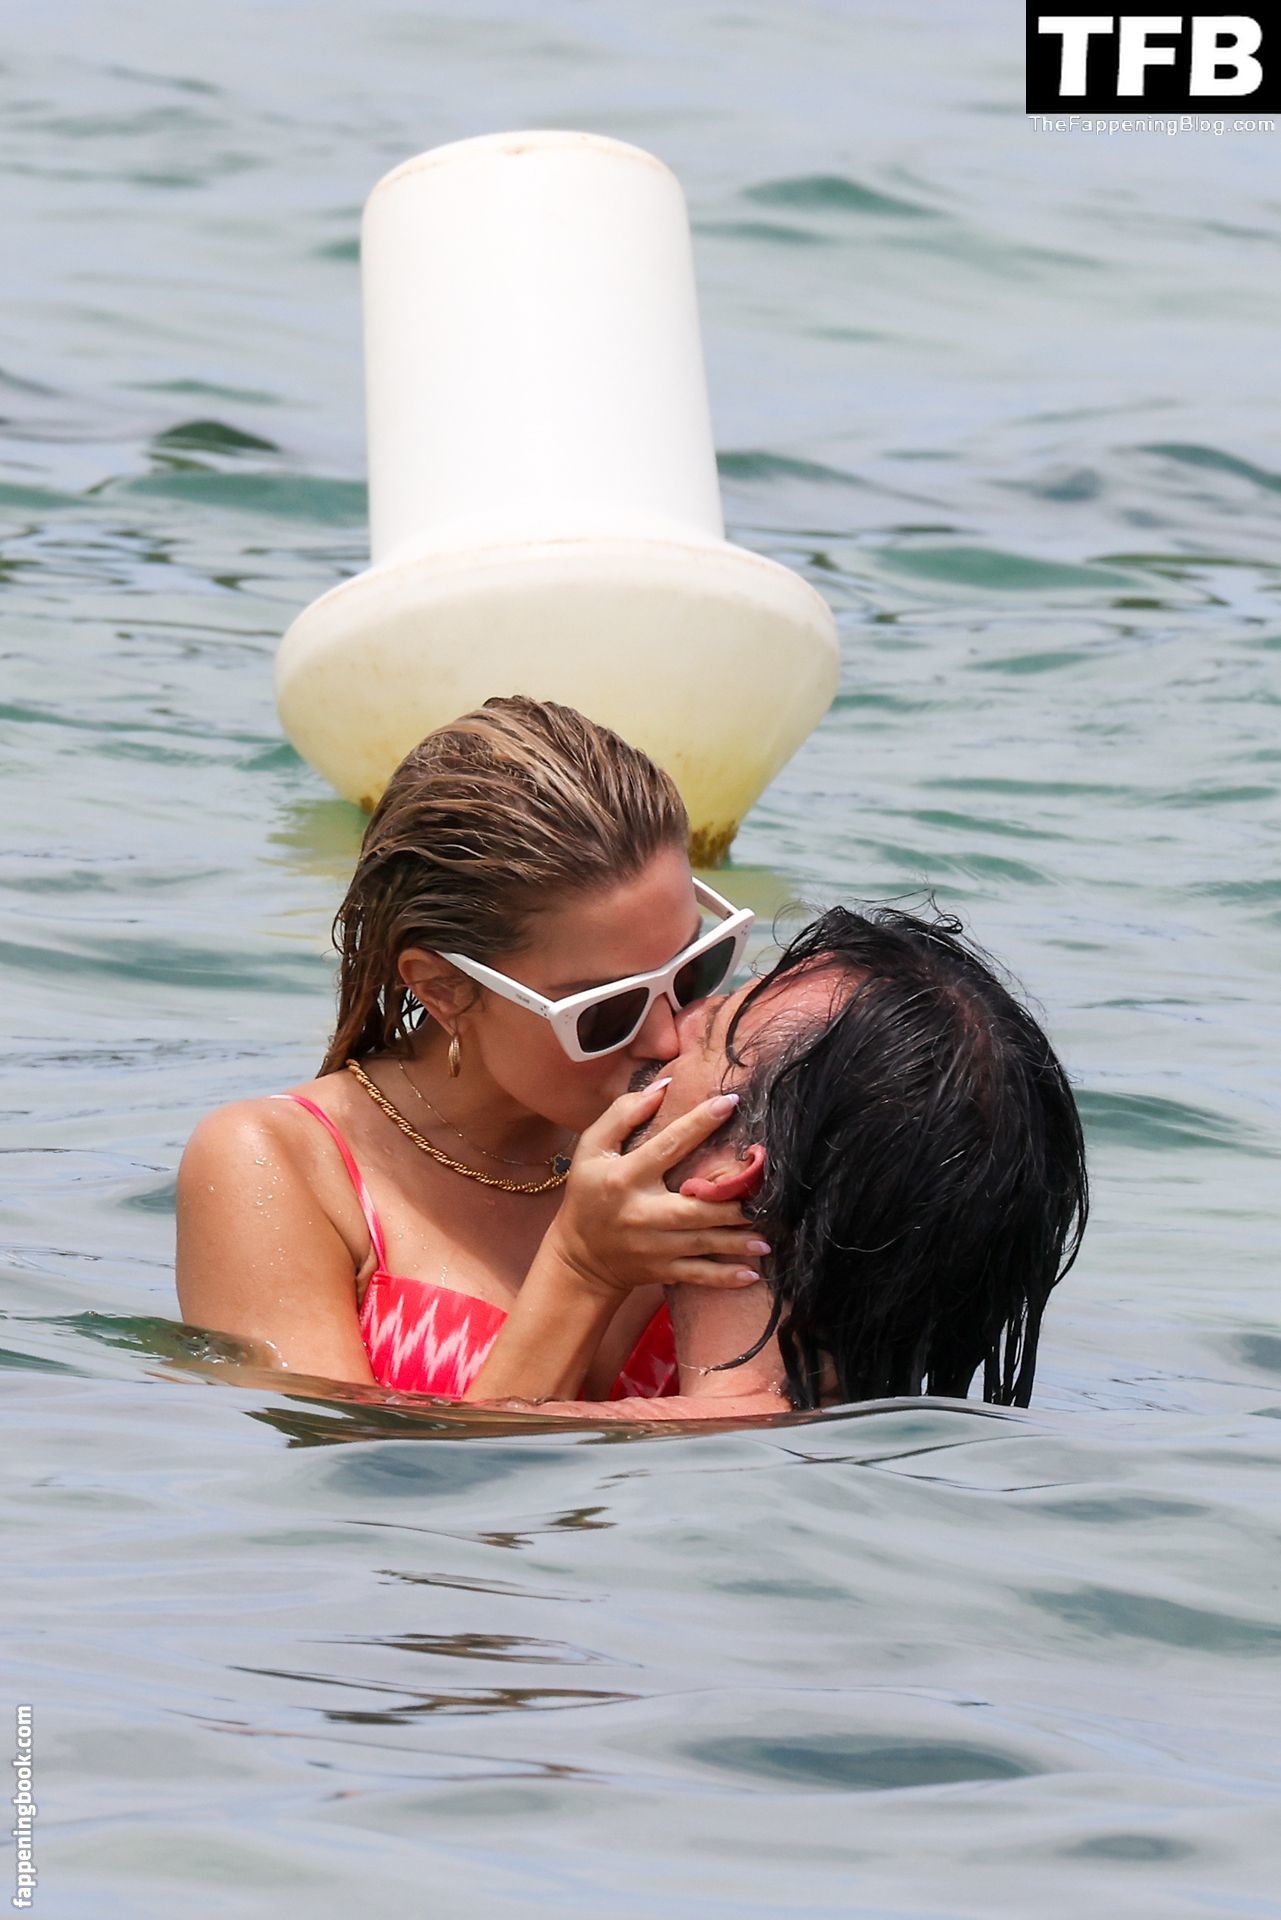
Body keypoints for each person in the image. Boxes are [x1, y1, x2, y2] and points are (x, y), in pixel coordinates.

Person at [175, 696, 770, 1400]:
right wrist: (582, 1270)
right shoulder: (278, 1165)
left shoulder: (713, 1132)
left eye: (694, 969)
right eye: (604, 1012)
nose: (667, 1037)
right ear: (444, 990)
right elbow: (354, 1463)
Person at [470, 904, 1089, 1422]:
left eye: (711, 1030)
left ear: (733, 1175)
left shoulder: (581, 1442)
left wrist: (579, 1263)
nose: (675, 1022)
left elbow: (464, 1496)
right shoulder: (883, 1427)